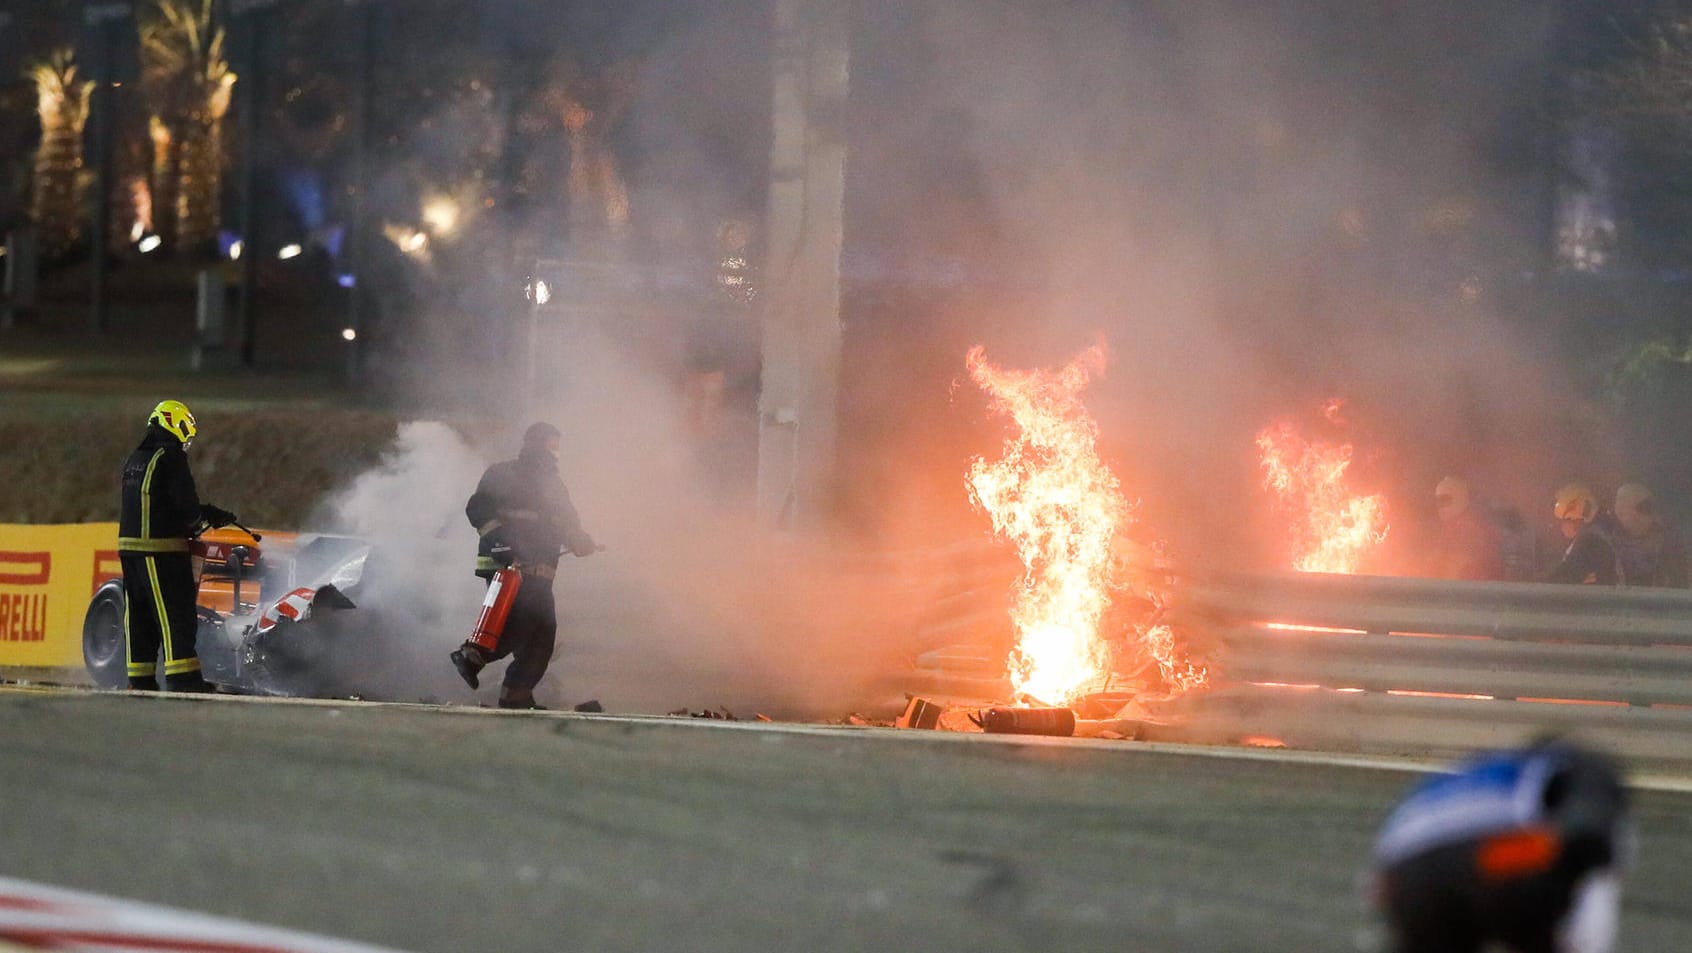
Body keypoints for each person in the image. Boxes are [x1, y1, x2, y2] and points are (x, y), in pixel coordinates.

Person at [1371, 739, 1632, 953]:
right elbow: (1589, 834)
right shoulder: (1578, 766)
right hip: (1495, 856)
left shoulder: (1483, 767)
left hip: (1400, 867)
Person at [449, 422, 598, 709]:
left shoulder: (554, 485)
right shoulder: (502, 474)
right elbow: (477, 509)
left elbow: (567, 522)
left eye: (556, 446)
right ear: (534, 444)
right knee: (520, 624)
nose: (554, 452)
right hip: (507, 567)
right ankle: (471, 655)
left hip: (540, 571)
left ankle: (516, 694)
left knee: (543, 635)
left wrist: (581, 541)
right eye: (550, 444)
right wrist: (500, 541)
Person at [118, 400, 237, 691]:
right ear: (174, 423)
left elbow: (159, 500)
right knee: (175, 613)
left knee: (139, 616)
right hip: (161, 549)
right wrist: (200, 519)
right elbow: (183, 498)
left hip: (130, 549)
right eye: (185, 430)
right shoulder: (170, 455)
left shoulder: (136, 458)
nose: (186, 440)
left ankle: (140, 678)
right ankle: (183, 678)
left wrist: (203, 511)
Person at [1610, 483, 1689, 589]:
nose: (1649, 515)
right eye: (1643, 507)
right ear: (1619, 511)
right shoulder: (1601, 543)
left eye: (1649, 507)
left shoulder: (1672, 545)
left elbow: (1683, 590)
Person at [1545, 483, 1623, 586]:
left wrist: (1526, 584)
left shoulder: (1591, 543)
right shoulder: (1601, 536)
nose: (1561, 526)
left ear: (1578, 520)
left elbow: (1562, 578)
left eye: (1566, 520)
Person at [1431, 476, 1504, 581]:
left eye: (1445, 500)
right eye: (1437, 501)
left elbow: (1464, 569)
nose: (1440, 506)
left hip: (1469, 592)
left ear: (1459, 499)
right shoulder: (1448, 531)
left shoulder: (1472, 530)